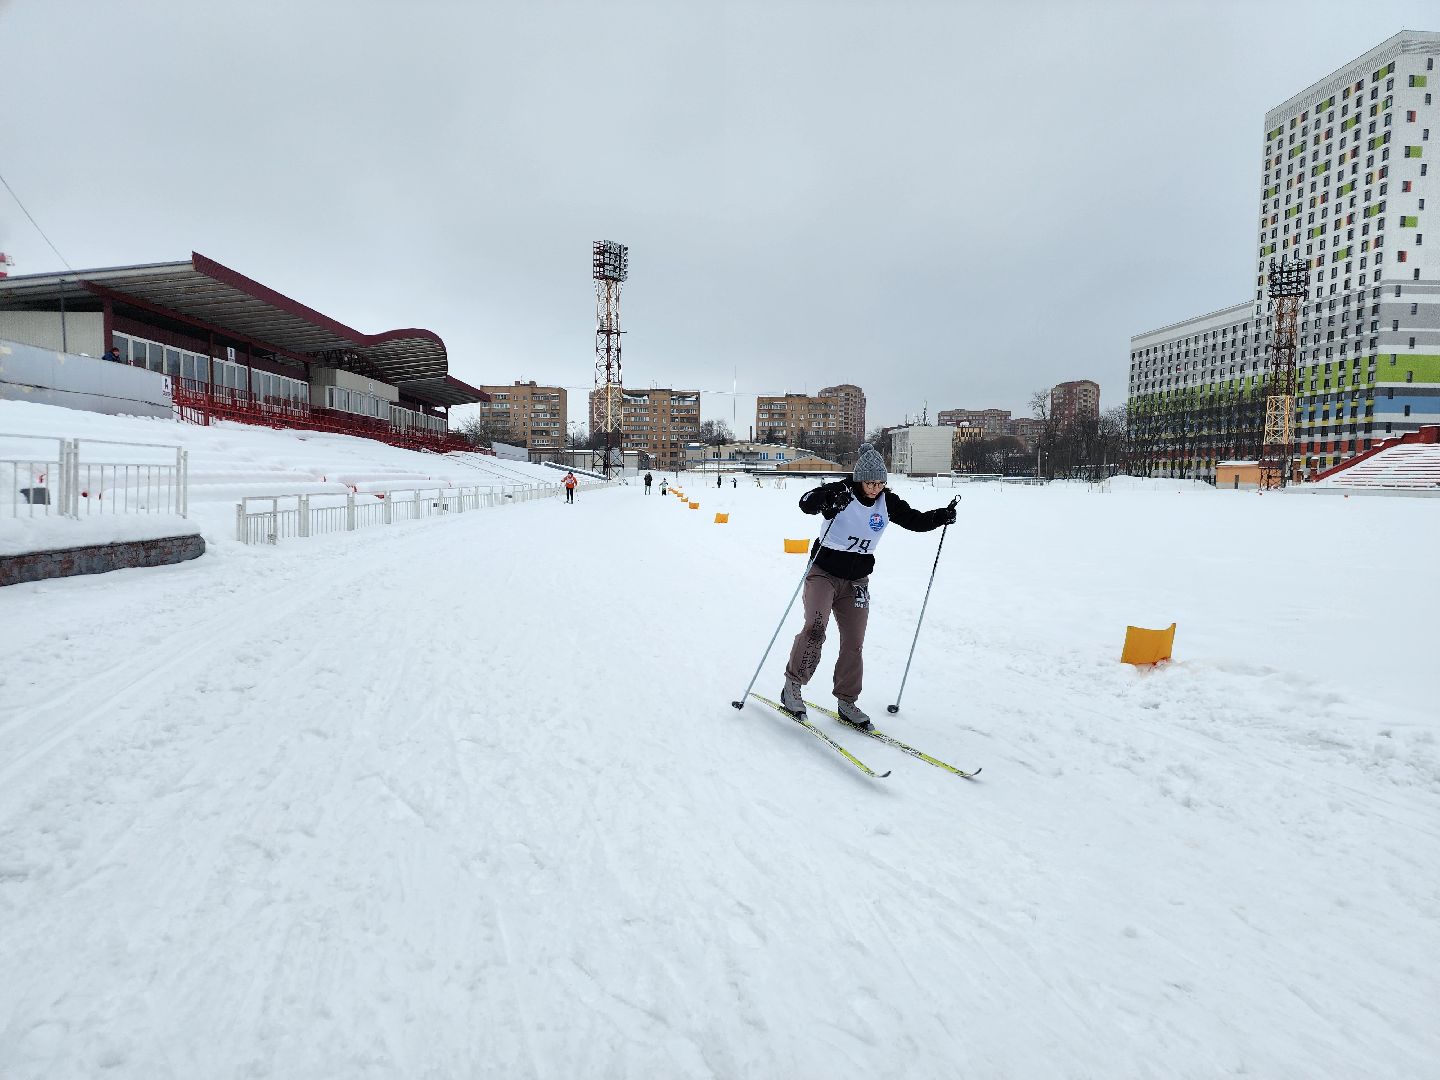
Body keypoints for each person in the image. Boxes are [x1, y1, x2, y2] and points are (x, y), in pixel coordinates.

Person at [780, 443, 956, 731]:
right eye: (870, 483)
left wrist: (939, 516)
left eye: (880, 483)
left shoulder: (887, 501)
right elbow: (806, 502)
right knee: (815, 628)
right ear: (859, 479)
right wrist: (827, 500)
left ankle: (847, 700)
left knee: (854, 641)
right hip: (823, 574)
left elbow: (915, 520)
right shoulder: (841, 491)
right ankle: (792, 687)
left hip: (856, 582)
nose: (875, 488)